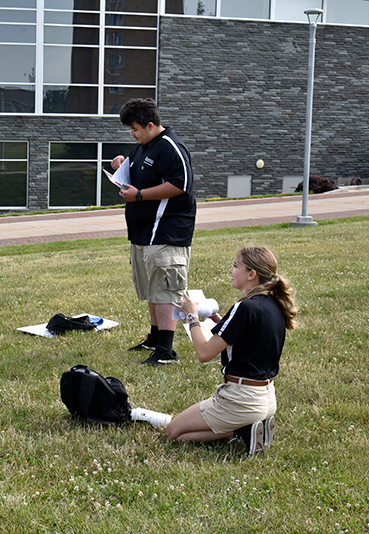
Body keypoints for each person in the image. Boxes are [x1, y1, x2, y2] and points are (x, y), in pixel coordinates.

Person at [165, 247, 298, 456]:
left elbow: (204, 353)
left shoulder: (245, 307)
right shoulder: (274, 302)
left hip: (241, 400)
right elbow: (249, 335)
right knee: (181, 432)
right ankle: (251, 425)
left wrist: (192, 317)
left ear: (251, 274)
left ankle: (242, 430)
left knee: (174, 432)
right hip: (266, 397)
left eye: (235, 266)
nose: (230, 270)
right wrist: (219, 319)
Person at [111, 98, 196, 366]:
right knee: (151, 287)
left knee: (165, 289)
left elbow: (180, 185)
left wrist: (139, 196)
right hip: (143, 233)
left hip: (167, 232)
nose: (132, 134)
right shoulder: (143, 147)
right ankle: (154, 338)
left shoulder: (171, 147)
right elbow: (141, 173)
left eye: (135, 129)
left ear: (150, 125)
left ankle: (166, 352)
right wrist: (123, 164)